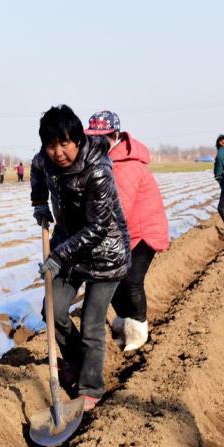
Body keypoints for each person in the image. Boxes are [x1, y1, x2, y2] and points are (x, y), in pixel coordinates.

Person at [31, 105, 131, 412]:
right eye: (51, 145)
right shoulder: (44, 160)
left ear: (77, 139)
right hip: (70, 247)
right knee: (52, 309)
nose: (58, 152)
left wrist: (59, 255)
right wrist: (39, 204)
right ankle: (75, 360)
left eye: (64, 144)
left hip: (105, 253)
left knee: (91, 323)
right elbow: (36, 168)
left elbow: (98, 227)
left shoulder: (97, 170)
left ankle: (90, 388)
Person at [85, 110, 169, 352]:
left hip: (143, 232)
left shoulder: (125, 165)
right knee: (115, 280)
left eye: (103, 138)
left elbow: (117, 207)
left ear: (116, 135)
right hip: (124, 233)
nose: (97, 143)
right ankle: (123, 325)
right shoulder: (105, 161)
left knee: (131, 281)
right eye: (93, 138)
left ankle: (139, 333)